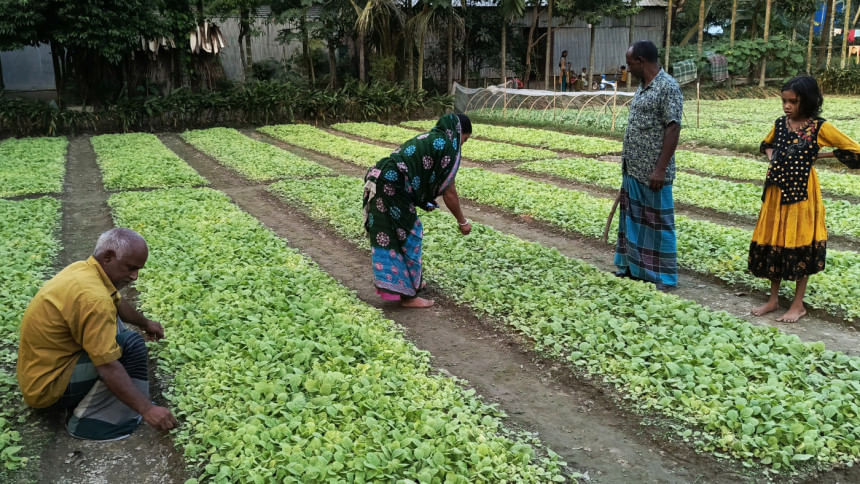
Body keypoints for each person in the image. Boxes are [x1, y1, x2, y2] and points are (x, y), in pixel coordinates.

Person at [17, 228, 178, 440]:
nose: (135, 276)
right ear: (108, 257)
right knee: (131, 345)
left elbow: (116, 302)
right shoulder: (94, 299)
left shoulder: (84, 270)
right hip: (48, 388)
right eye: (130, 268)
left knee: (117, 328)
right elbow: (108, 367)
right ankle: (90, 423)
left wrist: (146, 323)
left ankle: (107, 399)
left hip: (37, 374)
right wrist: (147, 409)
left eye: (138, 270)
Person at [749, 76, 860, 323]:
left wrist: (821, 155)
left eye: (793, 101)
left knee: (800, 240)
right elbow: (766, 144)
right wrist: (772, 155)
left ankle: (798, 304)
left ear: (807, 101)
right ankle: (773, 299)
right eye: (784, 101)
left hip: (802, 195)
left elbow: (854, 150)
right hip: (776, 193)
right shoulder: (780, 124)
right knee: (774, 239)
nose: (787, 106)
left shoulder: (820, 127)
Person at [362, 114, 472, 308]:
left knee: (390, 234)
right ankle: (409, 296)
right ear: (458, 133)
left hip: (381, 179)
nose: (462, 145)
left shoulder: (431, 138)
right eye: (465, 139)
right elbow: (450, 192)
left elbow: (419, 172)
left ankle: (409, 283)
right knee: (409, 235)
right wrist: (462, 222)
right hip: (391, 185)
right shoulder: (447, 145)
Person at [614, 40, 683, 291]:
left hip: (653, 172)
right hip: (634, 167)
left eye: (630, 63)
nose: (627, 68)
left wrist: (660, 169)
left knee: (658, 224)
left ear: (641, 61)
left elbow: (673, 128)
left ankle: (664, 276)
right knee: (633, 220)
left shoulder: (668, 87)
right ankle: (634, 268)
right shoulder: (644, 86)